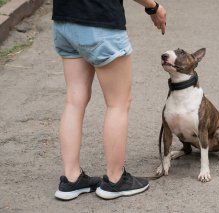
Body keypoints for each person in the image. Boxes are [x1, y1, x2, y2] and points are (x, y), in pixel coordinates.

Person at [52, 0, 166, 200]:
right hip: (100, 22)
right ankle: (115, 180)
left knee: (74, 102)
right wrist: (153, 6)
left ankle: (71, 180)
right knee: (118, 104)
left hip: (64, 21)